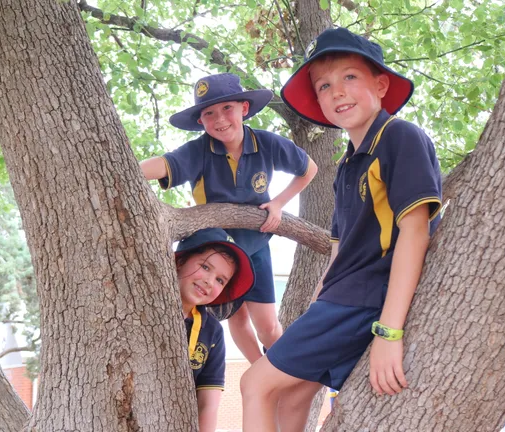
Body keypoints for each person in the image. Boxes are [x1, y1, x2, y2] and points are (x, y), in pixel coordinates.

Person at [240, 27, 443, 430]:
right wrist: (318, 302)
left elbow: (416, 231)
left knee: (253, 383)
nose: (337, 92)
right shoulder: (347, 163)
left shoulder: (399, 137)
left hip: (364, 300)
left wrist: (389, 331)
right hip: (338, 300)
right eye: (324, 85)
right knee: (293, 396)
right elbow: (339, 246)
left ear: (381, 85)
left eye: (350, 77)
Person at [140, 73, 318, 363]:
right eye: (209, 113)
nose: (219, 119)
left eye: (227, 109)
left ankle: (286, 373)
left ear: (244, 108)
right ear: (201, 121)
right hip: (212, 243)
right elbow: (163, 165)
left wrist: (277, 203)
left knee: (269, 327)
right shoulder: (199, 150)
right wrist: (122, 170)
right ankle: (258, 371)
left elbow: (308, 169)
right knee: (236, 316)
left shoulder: (267, 143)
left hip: (255, 241)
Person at [174, 228, 255, 432]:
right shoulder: (140, 306)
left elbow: (208, 405)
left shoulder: (212, 331)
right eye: (205, 267)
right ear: (180, 261)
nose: (210, 281)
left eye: (221, 280)